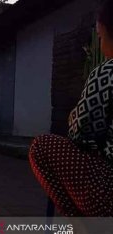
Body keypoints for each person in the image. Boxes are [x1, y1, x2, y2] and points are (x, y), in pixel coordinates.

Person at [29, 0, 113, 217]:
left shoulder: (107, 73)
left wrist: (73, 116)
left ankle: (85, 227)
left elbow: (80, 134)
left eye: (101, 36)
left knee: (42, 147)